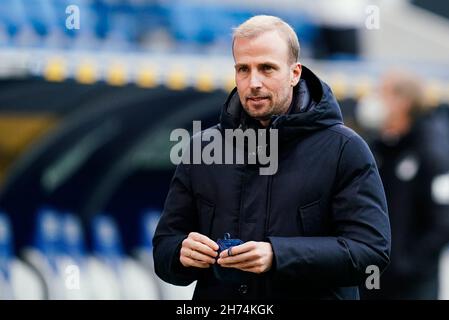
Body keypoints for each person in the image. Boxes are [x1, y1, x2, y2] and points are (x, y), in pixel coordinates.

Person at [153, 15, 391, 300]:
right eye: (243, 69)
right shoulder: (201, 148)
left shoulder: (345, 149)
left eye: (267, 68)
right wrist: (181, 253)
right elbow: (164, 249)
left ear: (295, 73)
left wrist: (278, 255)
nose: (253, 82)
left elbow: (371, 253)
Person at [359, 70, 449, 299]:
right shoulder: (376, 147)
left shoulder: (432, 151)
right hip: (373, 279)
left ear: (403, 102)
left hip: (413, 284)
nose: (374, 100)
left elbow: (442, 222)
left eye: (381, 93)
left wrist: (408, 264)